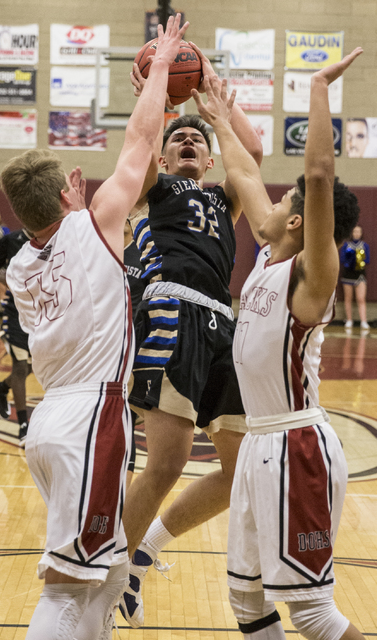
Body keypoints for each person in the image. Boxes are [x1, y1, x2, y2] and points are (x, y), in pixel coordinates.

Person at [0, 14, 189, 640]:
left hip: (51, 421)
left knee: (105, 574)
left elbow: (67, 253)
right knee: (66, 589)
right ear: (66, 198)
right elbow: (139, 147)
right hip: (89, 421)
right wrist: (160, 66)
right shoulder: (93, 223)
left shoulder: (19, 263)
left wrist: (76, 215)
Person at [192, 51, 365, 639]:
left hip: (297, 446)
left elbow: (317, 178)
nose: (271, 201)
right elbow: (241, 172)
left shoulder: (312, 280)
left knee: (313, 615)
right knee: (247, 602)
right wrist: (218, 117)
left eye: (286, 202)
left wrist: (317, 87)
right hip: (261, 447)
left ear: (300, 221)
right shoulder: (270, 253)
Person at [119, 45, 263, 628]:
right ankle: (108, 577)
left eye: (197, 141)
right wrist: (154, 92)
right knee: (168, 462)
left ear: (208, 161)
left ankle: (146, 547)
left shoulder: (223, 198)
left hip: (222, 327)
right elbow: (139, 149)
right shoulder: (155, 190)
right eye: (178, 137)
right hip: (170, 315)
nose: (188, 142)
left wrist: (216, 105)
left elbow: (251, 154)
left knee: (240, 471)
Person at [0, 227, 33, 447]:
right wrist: (6, 280)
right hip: (15, 311)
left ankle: (2, 388)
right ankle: (24, 425)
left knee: (37, 366)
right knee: (20, 367)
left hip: (40, 313)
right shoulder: (10, 240)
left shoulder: (50, 239)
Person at [124, 218, 146, 487]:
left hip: (133, 345)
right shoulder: (101, 251)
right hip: (102, 346)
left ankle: (123, 494)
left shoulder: (143, 257)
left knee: (126, 417)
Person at [340, 225, 370, 332]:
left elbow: (367, 260)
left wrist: (359, 261)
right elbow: (342, 259)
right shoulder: (346, 245)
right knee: (348, 298)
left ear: (361, 233)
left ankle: (364, 321)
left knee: (361, 299)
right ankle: (349, 320)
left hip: (360, 274)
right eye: (355, 231)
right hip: (348, 274)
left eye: (359, 232)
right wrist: (350, 260)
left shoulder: (365, 245)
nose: (356, 233)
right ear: (351, 233)